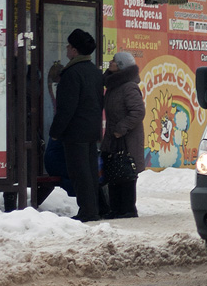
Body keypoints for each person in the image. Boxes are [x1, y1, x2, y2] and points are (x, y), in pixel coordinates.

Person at [48, 29, 104, 222]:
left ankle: (88, 212)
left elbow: (66, 108)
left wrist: (55, 132)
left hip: (75, 132)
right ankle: (93, 208)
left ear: (74, 49)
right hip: (91, 130)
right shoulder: (95, 72)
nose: (66, 49)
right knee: (89, 171)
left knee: (80, 174)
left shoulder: (72, 74)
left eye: (68, 46)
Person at [101, 51, 146, 218]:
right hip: (114, 138)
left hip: (126, 139)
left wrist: (121, 128)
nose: (110, 62)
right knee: (114, 170)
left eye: (113, 61)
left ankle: (127, 209)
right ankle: (116, 208)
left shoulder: (128, 87)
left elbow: (138, 111)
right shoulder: (114, 85)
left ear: (120, 66)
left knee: (126, 171)